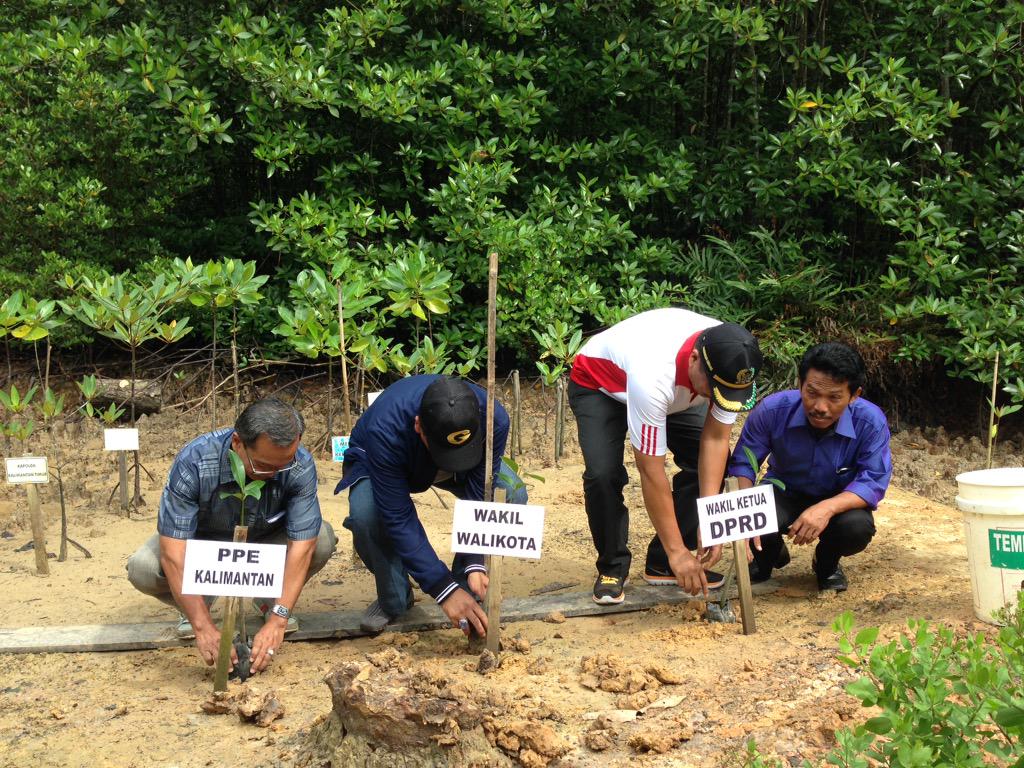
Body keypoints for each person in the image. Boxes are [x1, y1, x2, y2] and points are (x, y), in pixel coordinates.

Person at [568, 307, 763, 604]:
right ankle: (612, 566)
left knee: (707, 459)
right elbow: (651, 471)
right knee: (603, 474)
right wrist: (679, 551)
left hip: (676, 395)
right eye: (714, 390)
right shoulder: (654, 375)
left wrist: (710, 522)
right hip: (601, 384)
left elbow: (714, 440)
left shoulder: (730, 359)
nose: (715, 397)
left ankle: (661, 562)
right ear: (695, 360)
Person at [127, 397, 337, 674]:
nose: (275, 474)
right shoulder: (195, 461)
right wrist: (202, 626)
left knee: (321, 538)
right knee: (144, 568)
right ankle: (196, 605)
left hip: (266, 542)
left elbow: (303, 545)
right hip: (204, 545)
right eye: (264, 466)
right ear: (238, 443)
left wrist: (279, 619)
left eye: (283, 466)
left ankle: (268, 600)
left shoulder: (298, 464)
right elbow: (174, 552)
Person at [335, 374, 526, 635]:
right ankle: (395, 598)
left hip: (448, 462)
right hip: (385, 460)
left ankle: (465, 584)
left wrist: (475, 561)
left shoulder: (494, 418)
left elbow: (480, 490)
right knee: (367, 514)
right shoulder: (385, 430)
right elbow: (398, 515)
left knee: (511, 493)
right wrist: (440, 587)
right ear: (418, 426)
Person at [728, 342, 892, 592]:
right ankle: (767, 556)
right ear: (800, 384)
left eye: (834, 397)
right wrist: (745, 512)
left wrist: (825, 508)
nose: (820, 407)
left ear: (854, 395)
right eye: (812, 393)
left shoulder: (870, 422)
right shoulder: (772, 410)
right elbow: (743, 463)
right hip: (783, 491)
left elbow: (873, 480)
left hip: (838, 501)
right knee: (751, 510)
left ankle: (826, 563)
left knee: (857, 528)